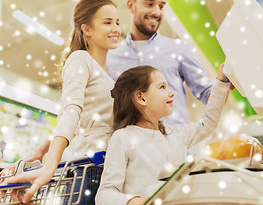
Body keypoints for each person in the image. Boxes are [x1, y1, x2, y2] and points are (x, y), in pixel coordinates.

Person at [2, 0, 121, 204]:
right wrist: (49, 164)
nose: (116, 28)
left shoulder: (106, 76)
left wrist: (40, 150)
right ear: (87, 29)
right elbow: (71, 110)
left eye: (117, 22)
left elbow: (80, 122)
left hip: (106, 172)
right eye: (107, 22)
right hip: (92, 171)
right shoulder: (80, 58)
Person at [95, 63, 235, 205]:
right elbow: (104, 194)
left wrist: (221, 82)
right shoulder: (123, 138)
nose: (171, 93)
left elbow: (208, 123)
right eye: (162, 87)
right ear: (141, 98)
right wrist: (136, 202)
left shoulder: (176, 134)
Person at [107, 0, 213, 126]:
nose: (156, 12)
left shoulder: (179, 49)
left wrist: (225, 82)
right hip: (130, 146)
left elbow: (209, 93)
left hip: (175, 145)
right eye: (149, 4)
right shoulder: (110, 56)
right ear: (131, 6)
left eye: (161, 6)